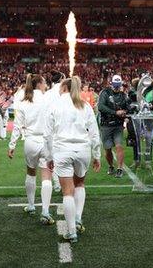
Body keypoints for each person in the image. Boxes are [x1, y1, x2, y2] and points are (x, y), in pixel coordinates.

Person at [44, 76, 101, 243]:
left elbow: (47, 135)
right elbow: (94, 133)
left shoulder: (54, 105)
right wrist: (97, 155)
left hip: (62, 150)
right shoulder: (85, 105)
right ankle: (77, 218)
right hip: (83, 150)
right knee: (80, 184)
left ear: (63, 88)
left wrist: (48, 157)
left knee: (67, 192)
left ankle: (71, 232)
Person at [7, 74, 55, 225]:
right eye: (45, 82)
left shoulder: (23, 100)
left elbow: (17, 125)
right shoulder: (49, 98)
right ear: (40, 83)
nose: (46, 84)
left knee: (31, 172)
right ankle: (45, 212)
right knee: (46, 175)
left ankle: (31, 205)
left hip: (30, 141)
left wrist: (12, 145)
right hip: (47, 141)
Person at [97, 74, 129, 178]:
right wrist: (115, 112)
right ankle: (111, 166)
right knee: (108, 149)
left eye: (118, 85)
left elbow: (127, 107)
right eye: (115, 84)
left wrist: (126, 112)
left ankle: (119, 168)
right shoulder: (105, 93)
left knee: (119, 146)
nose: (117, 86)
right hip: (106, 125)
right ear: (112, 83)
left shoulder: (123, 95)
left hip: (118, 125)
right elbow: (101, 107)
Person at [44, 71, 66, 192]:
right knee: (64, 155)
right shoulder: (64, 92)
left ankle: (57, 183)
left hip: (49, 126)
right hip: (63, 126)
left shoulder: (47, 94)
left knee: (52, 156)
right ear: (62, 79)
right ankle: (65, 182)